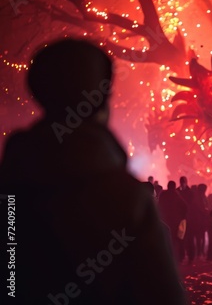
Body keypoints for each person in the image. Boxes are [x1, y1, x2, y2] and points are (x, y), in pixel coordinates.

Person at [0, 38, 186, 304]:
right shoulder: (127, 197)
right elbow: (163, 294)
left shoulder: (10, 187)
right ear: (98, 101)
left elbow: (9, 279)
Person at [158, 180, 188, 263]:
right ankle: (177, 256)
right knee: (176, 238)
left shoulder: (163, 194)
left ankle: (167, 256)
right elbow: (185, 206)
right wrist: (182, 217)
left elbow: (158, 205)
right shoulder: (176, 194)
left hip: (165, 219)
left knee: (166, 238)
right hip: (175, 220)